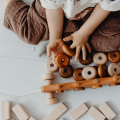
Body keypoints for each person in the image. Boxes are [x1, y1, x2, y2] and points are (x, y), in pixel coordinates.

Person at [2, 0, 120, 61]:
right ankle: (64, 36)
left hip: (91, 12)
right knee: (28, 33)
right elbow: (52, 7)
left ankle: (70, 35)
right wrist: (55, 37)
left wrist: (84, 33)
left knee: (115, 41)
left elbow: (106, 5)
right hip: (55, 9)